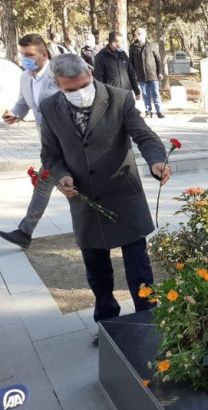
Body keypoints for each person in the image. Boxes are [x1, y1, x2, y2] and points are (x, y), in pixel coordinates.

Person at [40, 54, 170, 346]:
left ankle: (148, 320)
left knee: (139, 269)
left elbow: (145, 137)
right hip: (85, 201)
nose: (79, 93)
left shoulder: (119, 98)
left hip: (124, 196)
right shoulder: (49, 108)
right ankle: (108, 324)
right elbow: (50, 155)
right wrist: (62, 177)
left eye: (82, 85)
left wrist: (156, 161)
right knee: (97, 271)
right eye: (70, 90)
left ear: (90, 72)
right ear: (58, 85)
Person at [0, 34, 60, 249]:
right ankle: (24, 232)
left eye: (30, 55)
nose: (25, 59)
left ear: (44, 54)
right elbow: (23, 102)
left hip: (68, 141)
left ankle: (25, 232)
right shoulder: (25, 77)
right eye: (23, 54)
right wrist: (14, 114)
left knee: (57, 185)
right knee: (46, 184)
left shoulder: (58, 73)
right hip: (47, 141)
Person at [93, 31, 141, 100]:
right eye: (121, 42)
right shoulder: (100, 57)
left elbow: (131, 73)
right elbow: (98, 79)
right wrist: (103, 96)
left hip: (127, 93)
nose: (122, 44)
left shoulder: (123, 54)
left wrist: (136, 91)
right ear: (113, 43)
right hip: (113, 96)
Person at [129, 28, 165, 118]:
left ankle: (159, 111)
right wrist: (133, 74)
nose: (139, 35)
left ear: (144, 35)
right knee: (145, 94)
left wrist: (160, 72)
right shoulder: (133, 47)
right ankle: (148, 111)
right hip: (141, 75)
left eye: (141, 33)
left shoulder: (152, 45)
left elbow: (158, 60)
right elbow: (131, 62)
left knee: (155, 93)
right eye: (137, 34)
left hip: (153, 74)